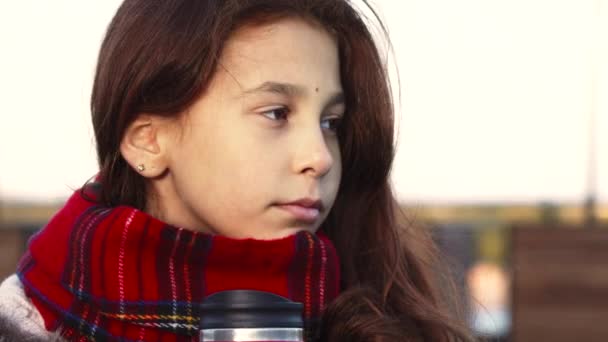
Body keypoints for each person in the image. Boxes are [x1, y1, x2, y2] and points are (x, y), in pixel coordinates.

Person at [0, 0, 475, 341]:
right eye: (276, 113)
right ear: (148, 139)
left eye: (331, 122)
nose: (321, 156)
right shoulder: (23, 322)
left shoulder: (382, 319)